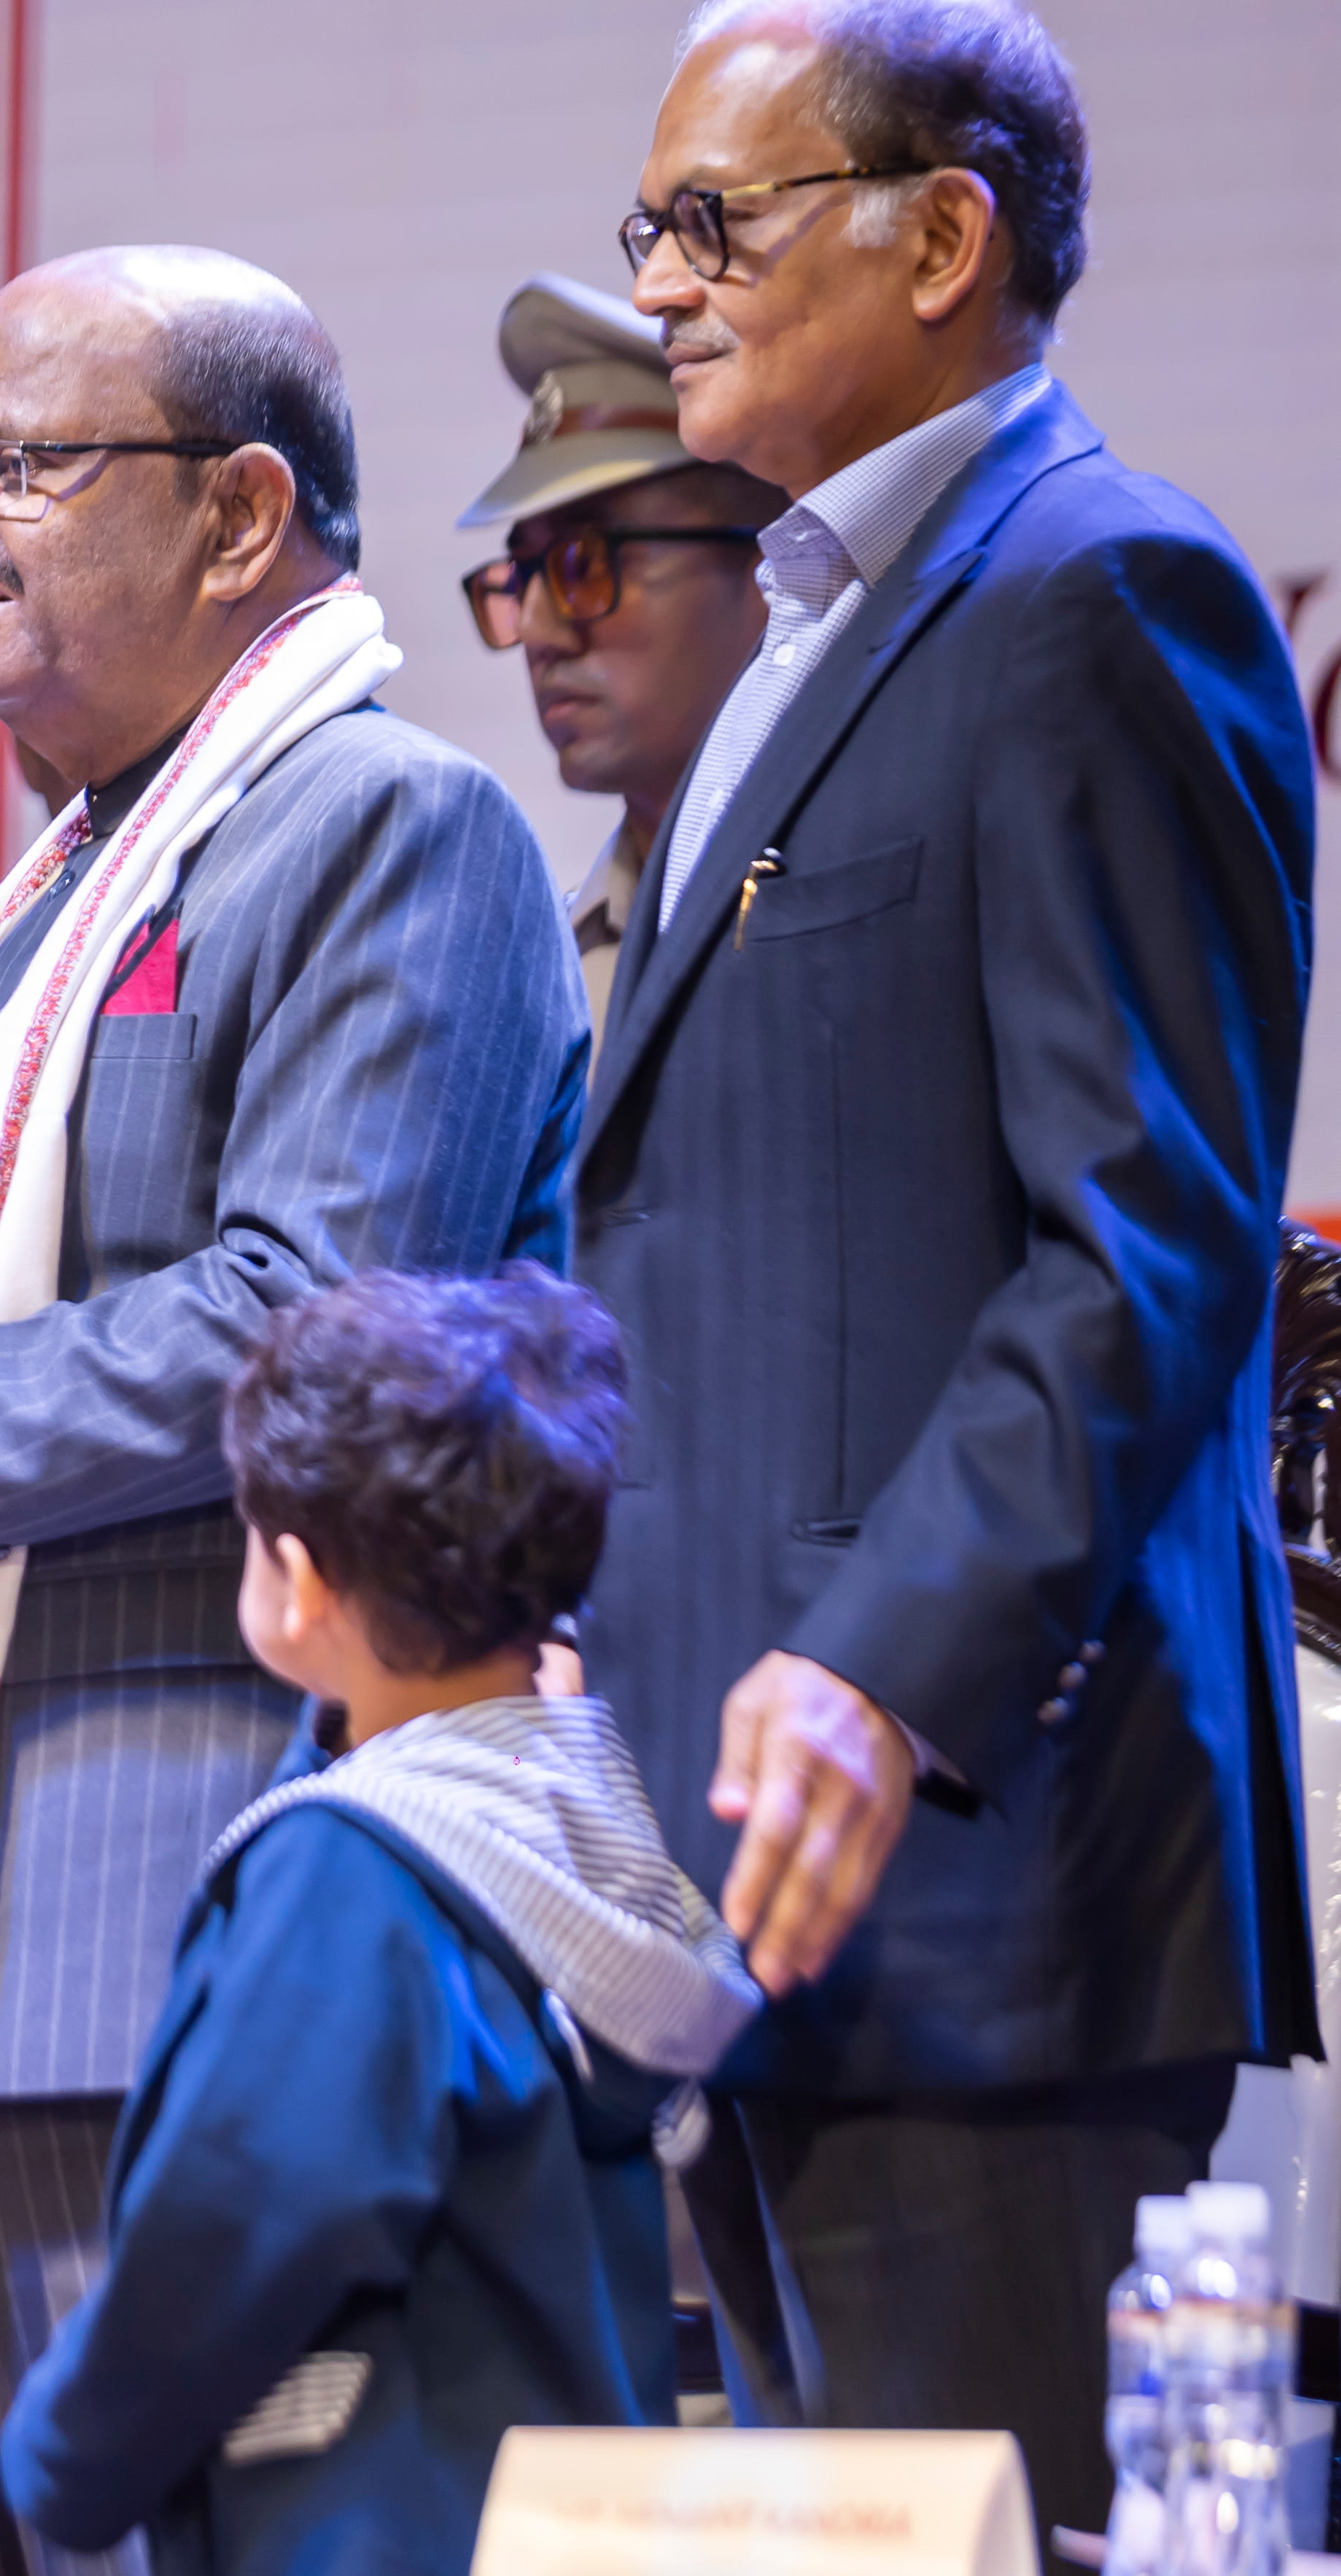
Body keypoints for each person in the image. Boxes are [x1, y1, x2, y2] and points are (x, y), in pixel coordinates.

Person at [0, 247, 589, 2576]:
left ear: (237, 512)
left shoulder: (386, 825)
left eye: (20, 466)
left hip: (160, 1924)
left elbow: (312, 1314)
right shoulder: (43, 905)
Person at [579, 0, 1316, 2531]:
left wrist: (883, 1670)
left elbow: (1145, 1236)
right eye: (645, 227)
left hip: (981, 1872)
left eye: (713, 220)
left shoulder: (1100, 590)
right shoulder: (809, 628)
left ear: (939, 237)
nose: (656, 283)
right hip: (740, 1866)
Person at [0, 1268, 756, 2575]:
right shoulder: (574, 1824)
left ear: (299, 1580)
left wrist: (63, 2454)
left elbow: (236, 2215)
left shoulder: (346, 1875)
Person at [453, 276, 784, 1045]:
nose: (537, 628)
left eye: (584, 561)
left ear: (771, 568)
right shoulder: (548, 981)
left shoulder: (862, 906)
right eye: (522, 576)